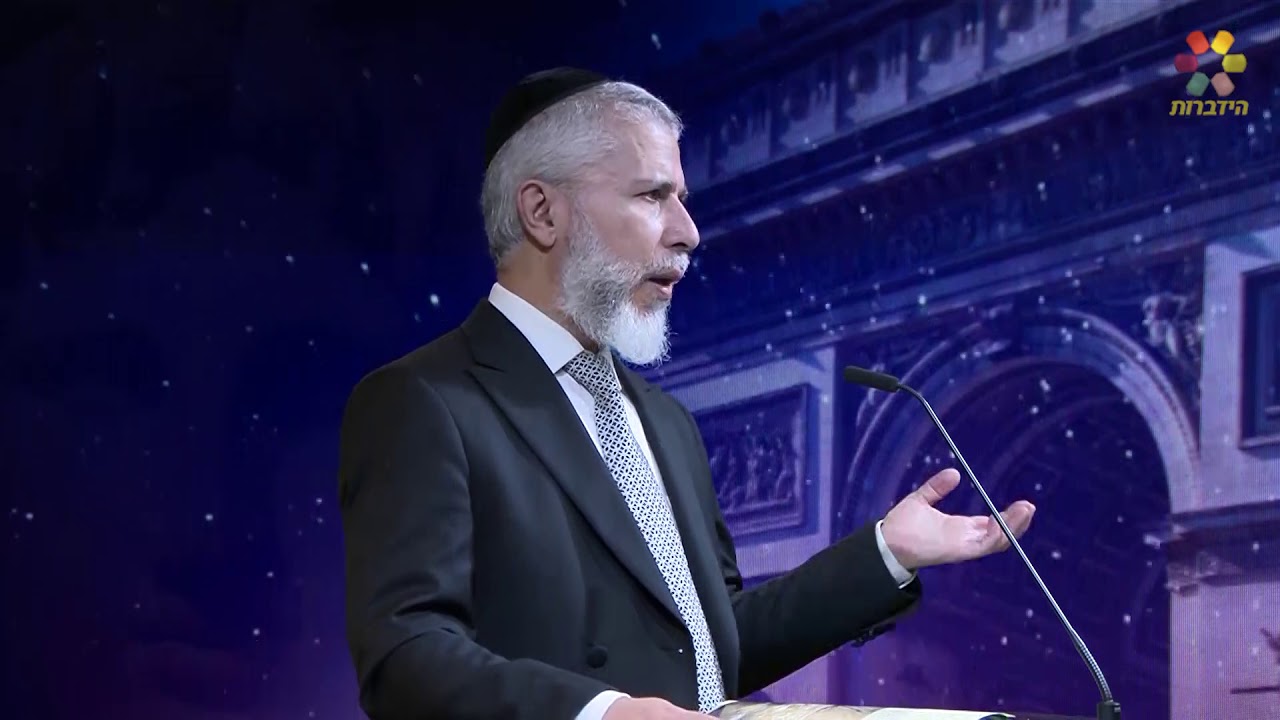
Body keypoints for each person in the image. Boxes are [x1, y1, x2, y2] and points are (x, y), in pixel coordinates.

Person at [337, 67, 1036, 720]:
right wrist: (603, 713)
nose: (688, 233)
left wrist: (885, 551)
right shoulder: (424, 401)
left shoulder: (666, 421)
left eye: (683, 201)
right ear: (543, 213)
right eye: (652, 197)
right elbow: (405, 656)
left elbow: (713, 647)